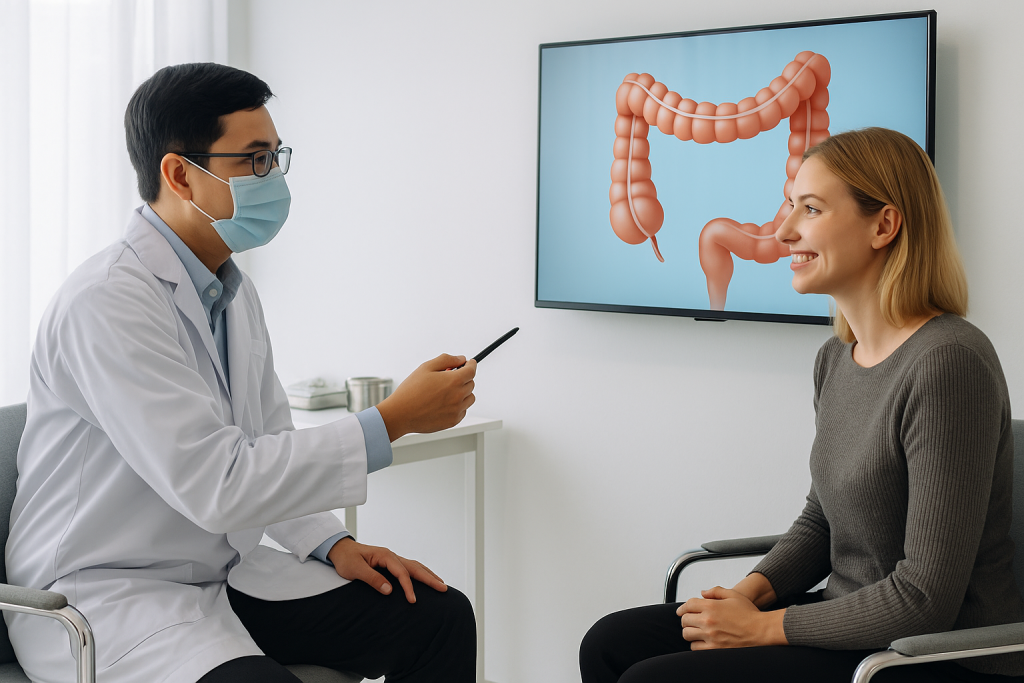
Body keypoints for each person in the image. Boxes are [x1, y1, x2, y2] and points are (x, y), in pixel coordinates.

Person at [6, 63, 478, 683]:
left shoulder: (229, 290)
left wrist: (332, 545)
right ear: (179, 174)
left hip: (221, 578)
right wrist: (390, 422)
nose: (273, 178)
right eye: (253, 161)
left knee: (437, 616)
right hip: (107, 595)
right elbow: (217, 484)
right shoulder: (108, 301)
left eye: (276, 158)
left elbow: (267, 444)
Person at [579, 127, 1024, 683]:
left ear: (884, 225)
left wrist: (763, 627)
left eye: (809, 209)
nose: (784, 230)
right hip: (847, 627)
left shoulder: (948, 362)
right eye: (790, 206)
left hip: (934, 655)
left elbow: (924, 598)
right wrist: (744, 597)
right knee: (610, 645)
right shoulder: (837, 358)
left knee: (654, 678)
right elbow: (822, 520)